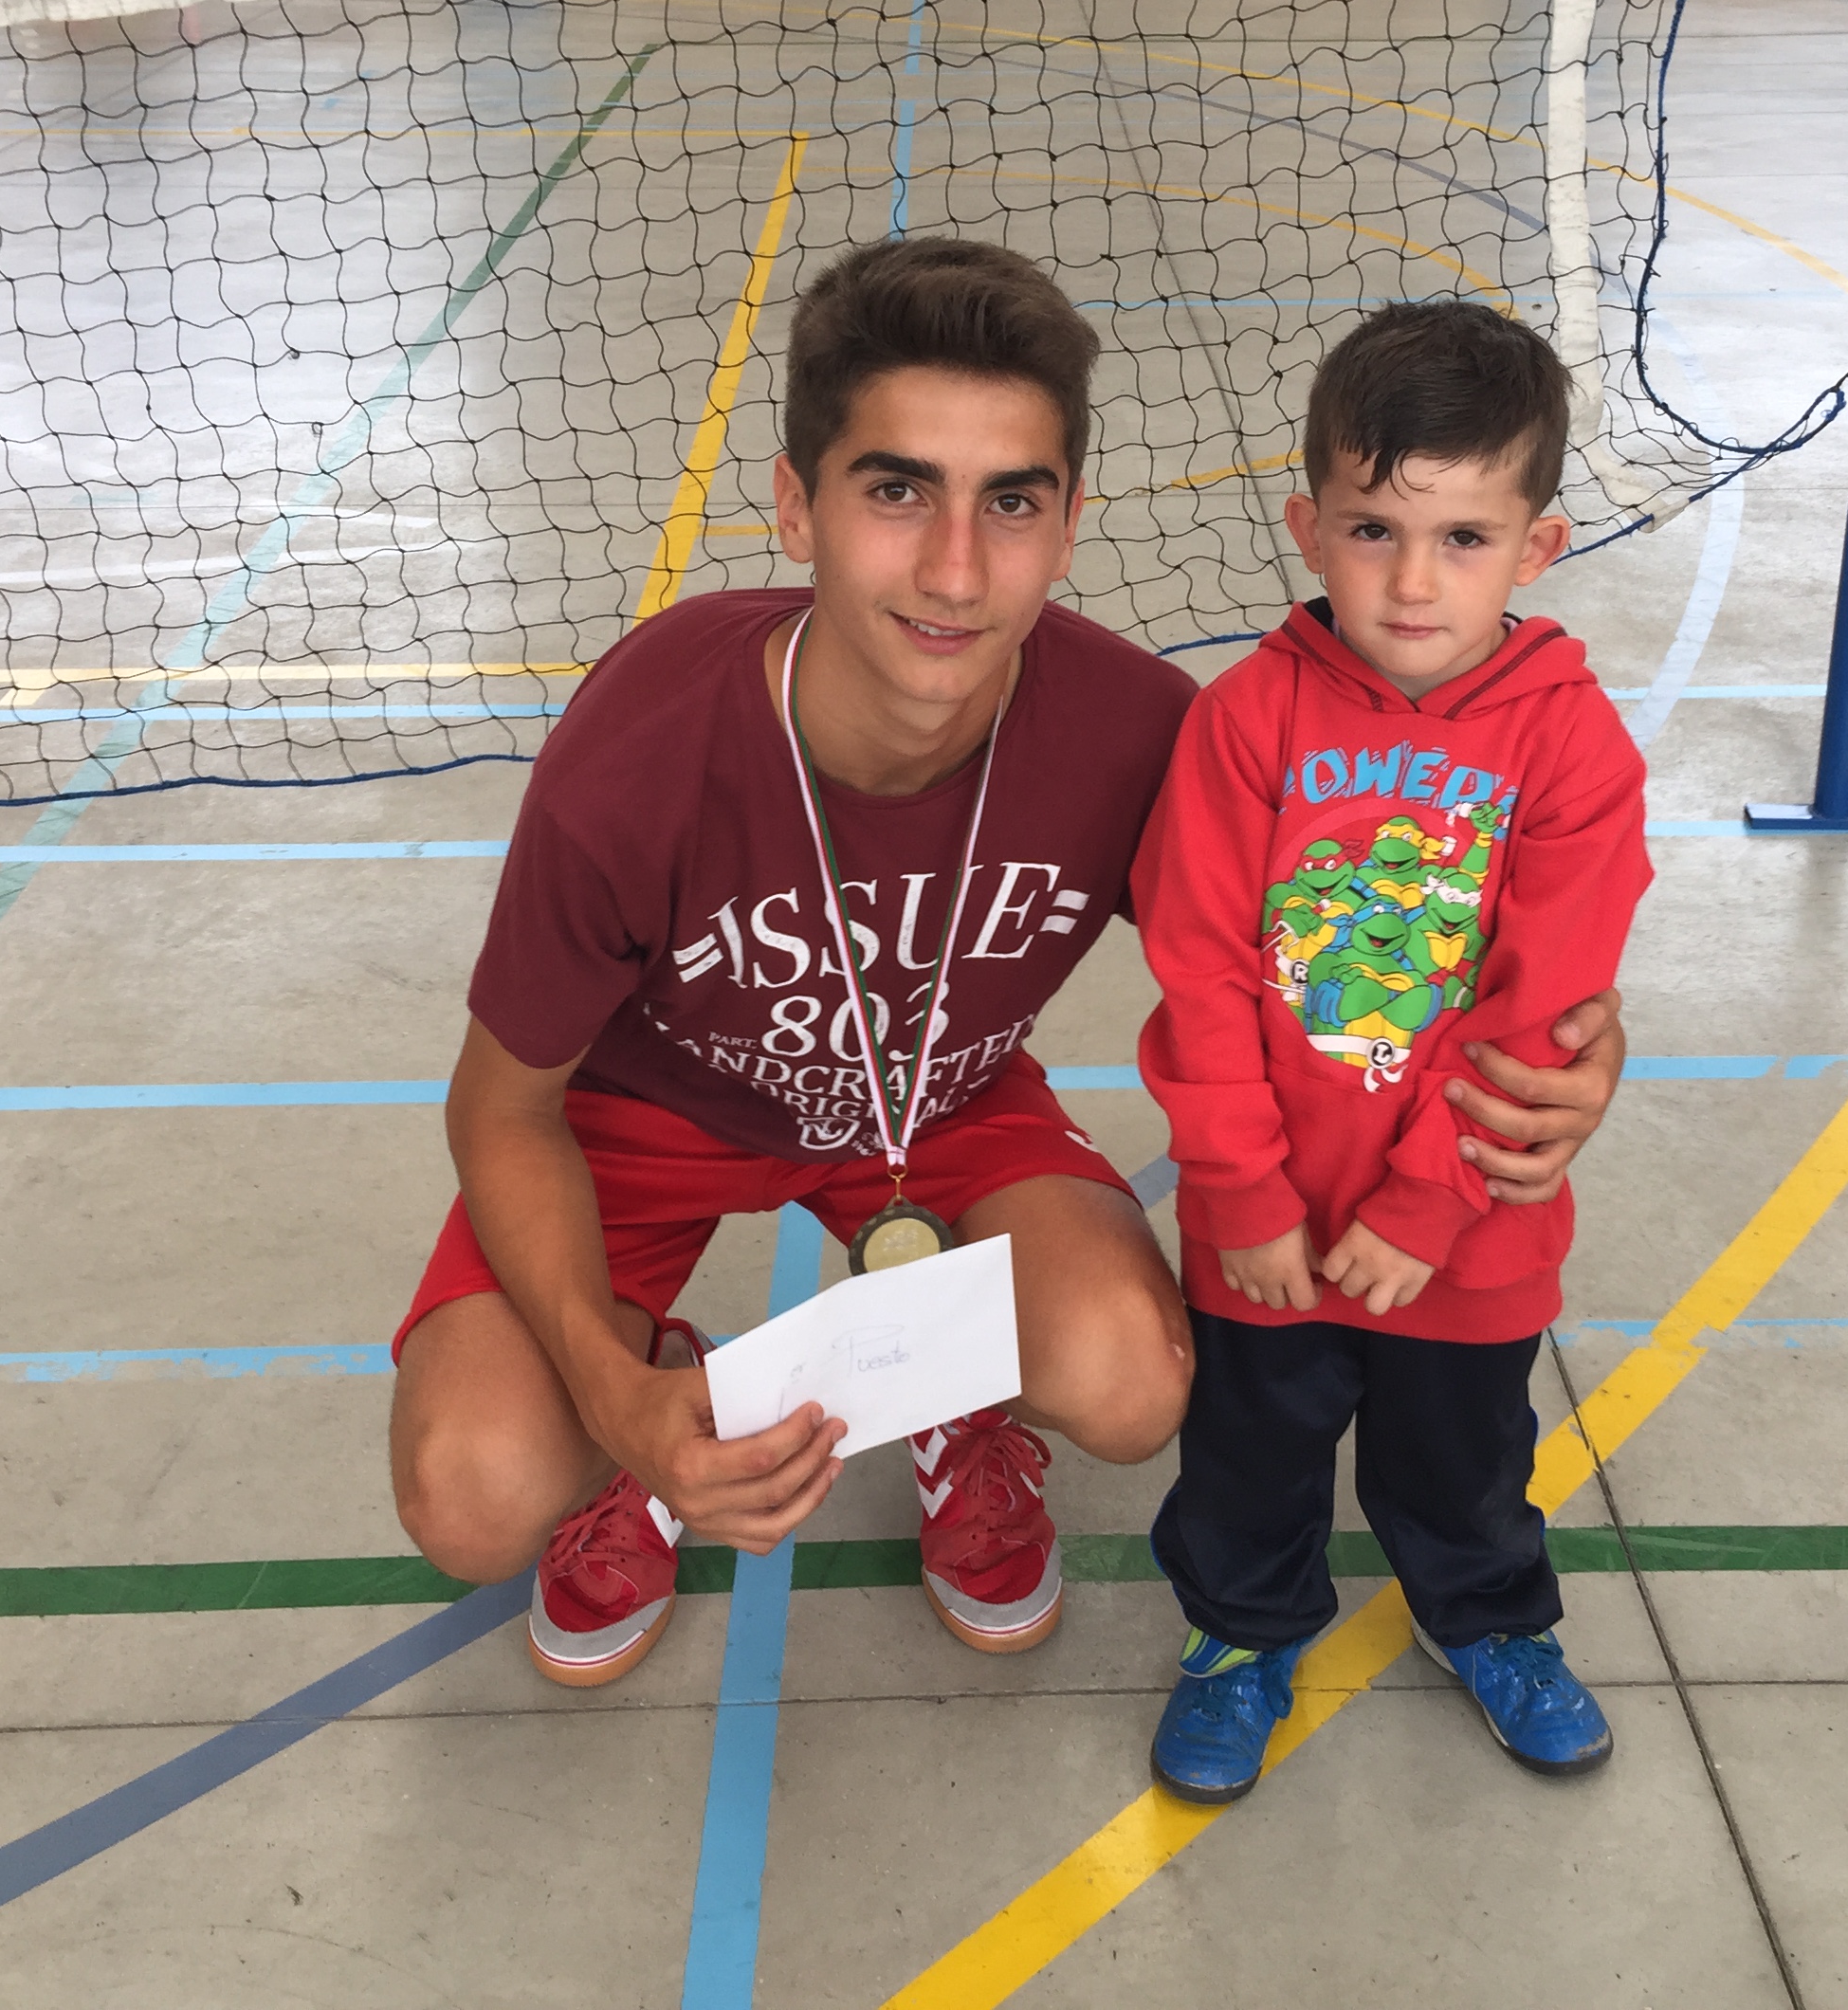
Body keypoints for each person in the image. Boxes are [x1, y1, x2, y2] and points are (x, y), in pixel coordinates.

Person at [388, 237, 1633, 1691]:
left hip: (938, 1101)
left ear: (1068, 525)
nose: (957, 568)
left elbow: (1385, 931)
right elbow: (501, 1111)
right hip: (645, 1123)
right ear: (797, 505)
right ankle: (654, 1401)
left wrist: (1574, 1051)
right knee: (471, 1495)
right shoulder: (644, 746)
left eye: (1012, 503)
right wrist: (616, 1403)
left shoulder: (1149, 734)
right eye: (898, 490)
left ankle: (943, 1393)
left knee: (1126, 1380)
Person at [1130, 301, 1652, 1804]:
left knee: (1466, 1460)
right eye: (1372, 529)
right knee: (1251, 1455)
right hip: (1269, 1224)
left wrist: (1432, 1205)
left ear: (1536, 549)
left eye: (1465, 538)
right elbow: (1203, 968)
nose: (1412, 580)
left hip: (1467, 1230)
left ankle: (1488, 1620)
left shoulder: (1569, 744)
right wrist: (1235, 1192)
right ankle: (1239, 1634)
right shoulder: (1245, 724)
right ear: (1309, 526)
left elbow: (1544, 1004)